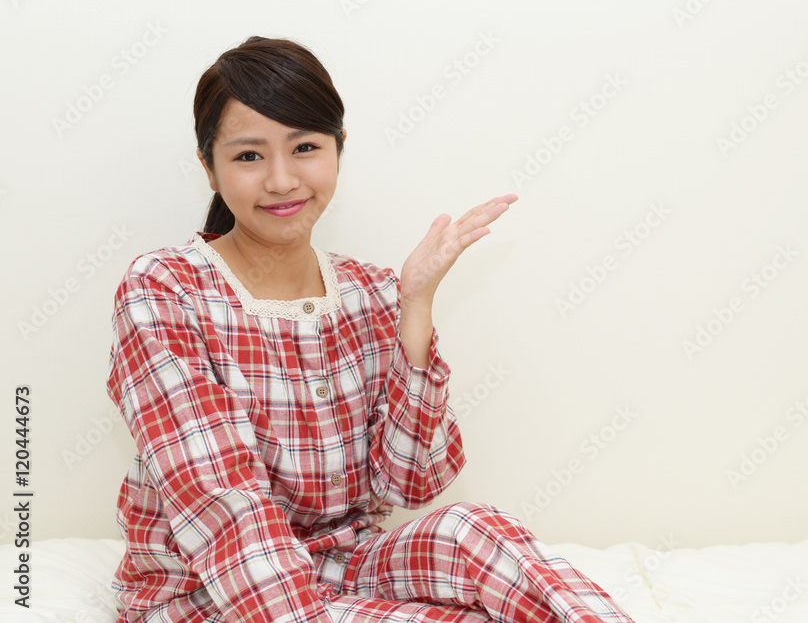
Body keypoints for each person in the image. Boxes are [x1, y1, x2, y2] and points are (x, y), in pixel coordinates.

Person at [106, 35, 636, 622]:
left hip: (346, 565)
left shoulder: (371, 290)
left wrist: (415, 308)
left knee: (477, 529)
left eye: (304, 147)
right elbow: (223, 507)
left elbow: (411, 483)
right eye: (249, 156)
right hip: (212, 591)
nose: (281, 180)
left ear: (339, 148)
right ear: (209, 167)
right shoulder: (164, 289)